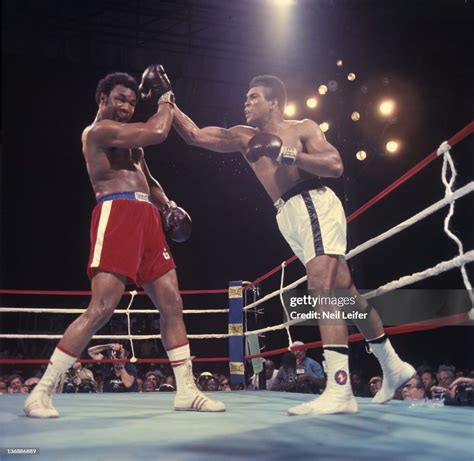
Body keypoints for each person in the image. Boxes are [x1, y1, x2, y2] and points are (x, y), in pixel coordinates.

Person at [173, 74, 415, 415]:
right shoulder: (244, 137)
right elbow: (197, 136)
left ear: (274, 102)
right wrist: (167, 101)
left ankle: (339, 387)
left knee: (322, 286)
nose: (246, 102)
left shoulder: (302, 128)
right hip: (288, 215)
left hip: (312, 202)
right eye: (246, 96)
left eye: (254, 96)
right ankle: (392, 365)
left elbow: (335, 165)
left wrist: (285, 153)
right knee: (347, 294)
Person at [24, 66, 224, 418]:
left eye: (132, 102)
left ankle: (187, 391)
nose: (127, 106)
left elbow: (148, 178)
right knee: (101, 308)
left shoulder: (131, 141)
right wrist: (165, 98)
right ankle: (41, 391)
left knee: (172, 303)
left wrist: (170, 206)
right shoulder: (99, 131)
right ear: (103, 99)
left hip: (147, 218)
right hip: (116, 213)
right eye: (120, 99)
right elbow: (158, 131)